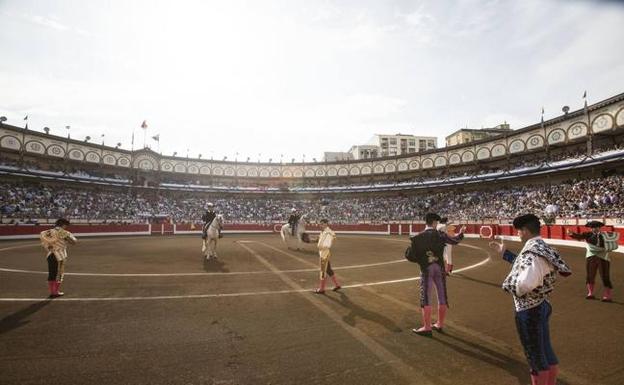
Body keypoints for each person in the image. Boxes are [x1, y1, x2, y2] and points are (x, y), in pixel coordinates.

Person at [489, 214, 571, 385]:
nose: (518, 234)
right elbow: (525, 264)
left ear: (525, 231)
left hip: (529, 310)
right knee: (546, 351)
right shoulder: (543, 247)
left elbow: (525, 283)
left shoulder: (532, 252)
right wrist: (505, 253)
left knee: (535, 356)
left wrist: (511, 286)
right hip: (542, 304)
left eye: (519, 231)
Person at [407, 213, 465, 336]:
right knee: (442, 295)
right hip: (439, 267)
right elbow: (455, 240)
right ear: (433, 223)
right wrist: (461, 232)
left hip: (426, 268)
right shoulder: (441, 235)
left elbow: (410, 255)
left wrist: (422, 259)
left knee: (426, 296)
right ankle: (439, 324)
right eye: (436, 222)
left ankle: (427, 327)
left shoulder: (418, 237)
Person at [568, 221, 616, 301]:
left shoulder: (605, 235)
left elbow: (612, 244)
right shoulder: (587, 234)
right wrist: (571, 234)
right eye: (593, 227)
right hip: (591, 256)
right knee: (590, 275)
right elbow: (579, 236)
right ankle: (590, 293)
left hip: (603, 257)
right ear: (591, 228)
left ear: (599, 228)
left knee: (605, 276)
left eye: (596, 227)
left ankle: (607, 295)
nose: (594, 229)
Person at [40, 218, 77, 298]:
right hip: (60, 256)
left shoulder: (47, 232)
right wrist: (66, 237)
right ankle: (55, 291)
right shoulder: (64, 232)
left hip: (50, 255)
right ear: (64, 225)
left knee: (52, 273)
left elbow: (44, 242)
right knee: (59, 274)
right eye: (66, 225)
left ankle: (52, 291)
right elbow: (74, 242)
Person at [314, 219, 340, 294]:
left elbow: (327, 245)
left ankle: (322, 289)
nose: (320, 225)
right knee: (328, 270)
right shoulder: (323, 232)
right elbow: (318, 240)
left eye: (322, 224)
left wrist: (320, 246)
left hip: (324, 254)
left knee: (322, 271)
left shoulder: (328, 233)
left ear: (326, 224)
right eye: (320, 224)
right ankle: (337, 285)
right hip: (322, 253)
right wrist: (310, 240)